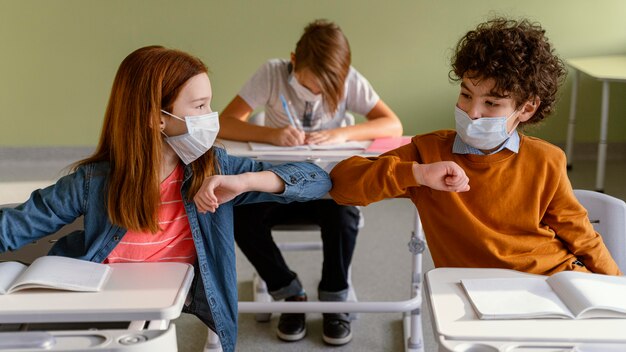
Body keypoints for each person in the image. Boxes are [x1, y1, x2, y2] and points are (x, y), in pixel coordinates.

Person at [0, 45, 332, 352]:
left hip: (170, 297)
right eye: (200, 106)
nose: (210, 117)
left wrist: (245, 181)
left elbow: (318, 180)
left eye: (209, 104)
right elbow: (17, 225)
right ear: (156, 117)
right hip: (98, 300)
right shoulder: (94, 182)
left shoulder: (214, 170)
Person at [329, 18, 622, 278]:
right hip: (477, 294)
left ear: (527, 107)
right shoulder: (428, 153)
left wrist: (616, 289)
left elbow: (582, 238)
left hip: (554, 283)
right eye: (466, 95)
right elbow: (343, 185)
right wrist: (416, 174)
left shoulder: (547, 160)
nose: (473, 112)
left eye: (491, 103)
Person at [217, 19, 402, 345]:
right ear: (292, 60)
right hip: (275, 186)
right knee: (240, 215)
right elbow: (224, 124)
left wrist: (340, 132)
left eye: (324, 89)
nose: (315, 93)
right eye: (308, 85)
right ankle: (289, 293)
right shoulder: (272, 74)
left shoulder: (349, 81)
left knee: (345, 211)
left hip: (325, 189)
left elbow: (392, 125)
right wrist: (271, 135)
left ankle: (333, 294)